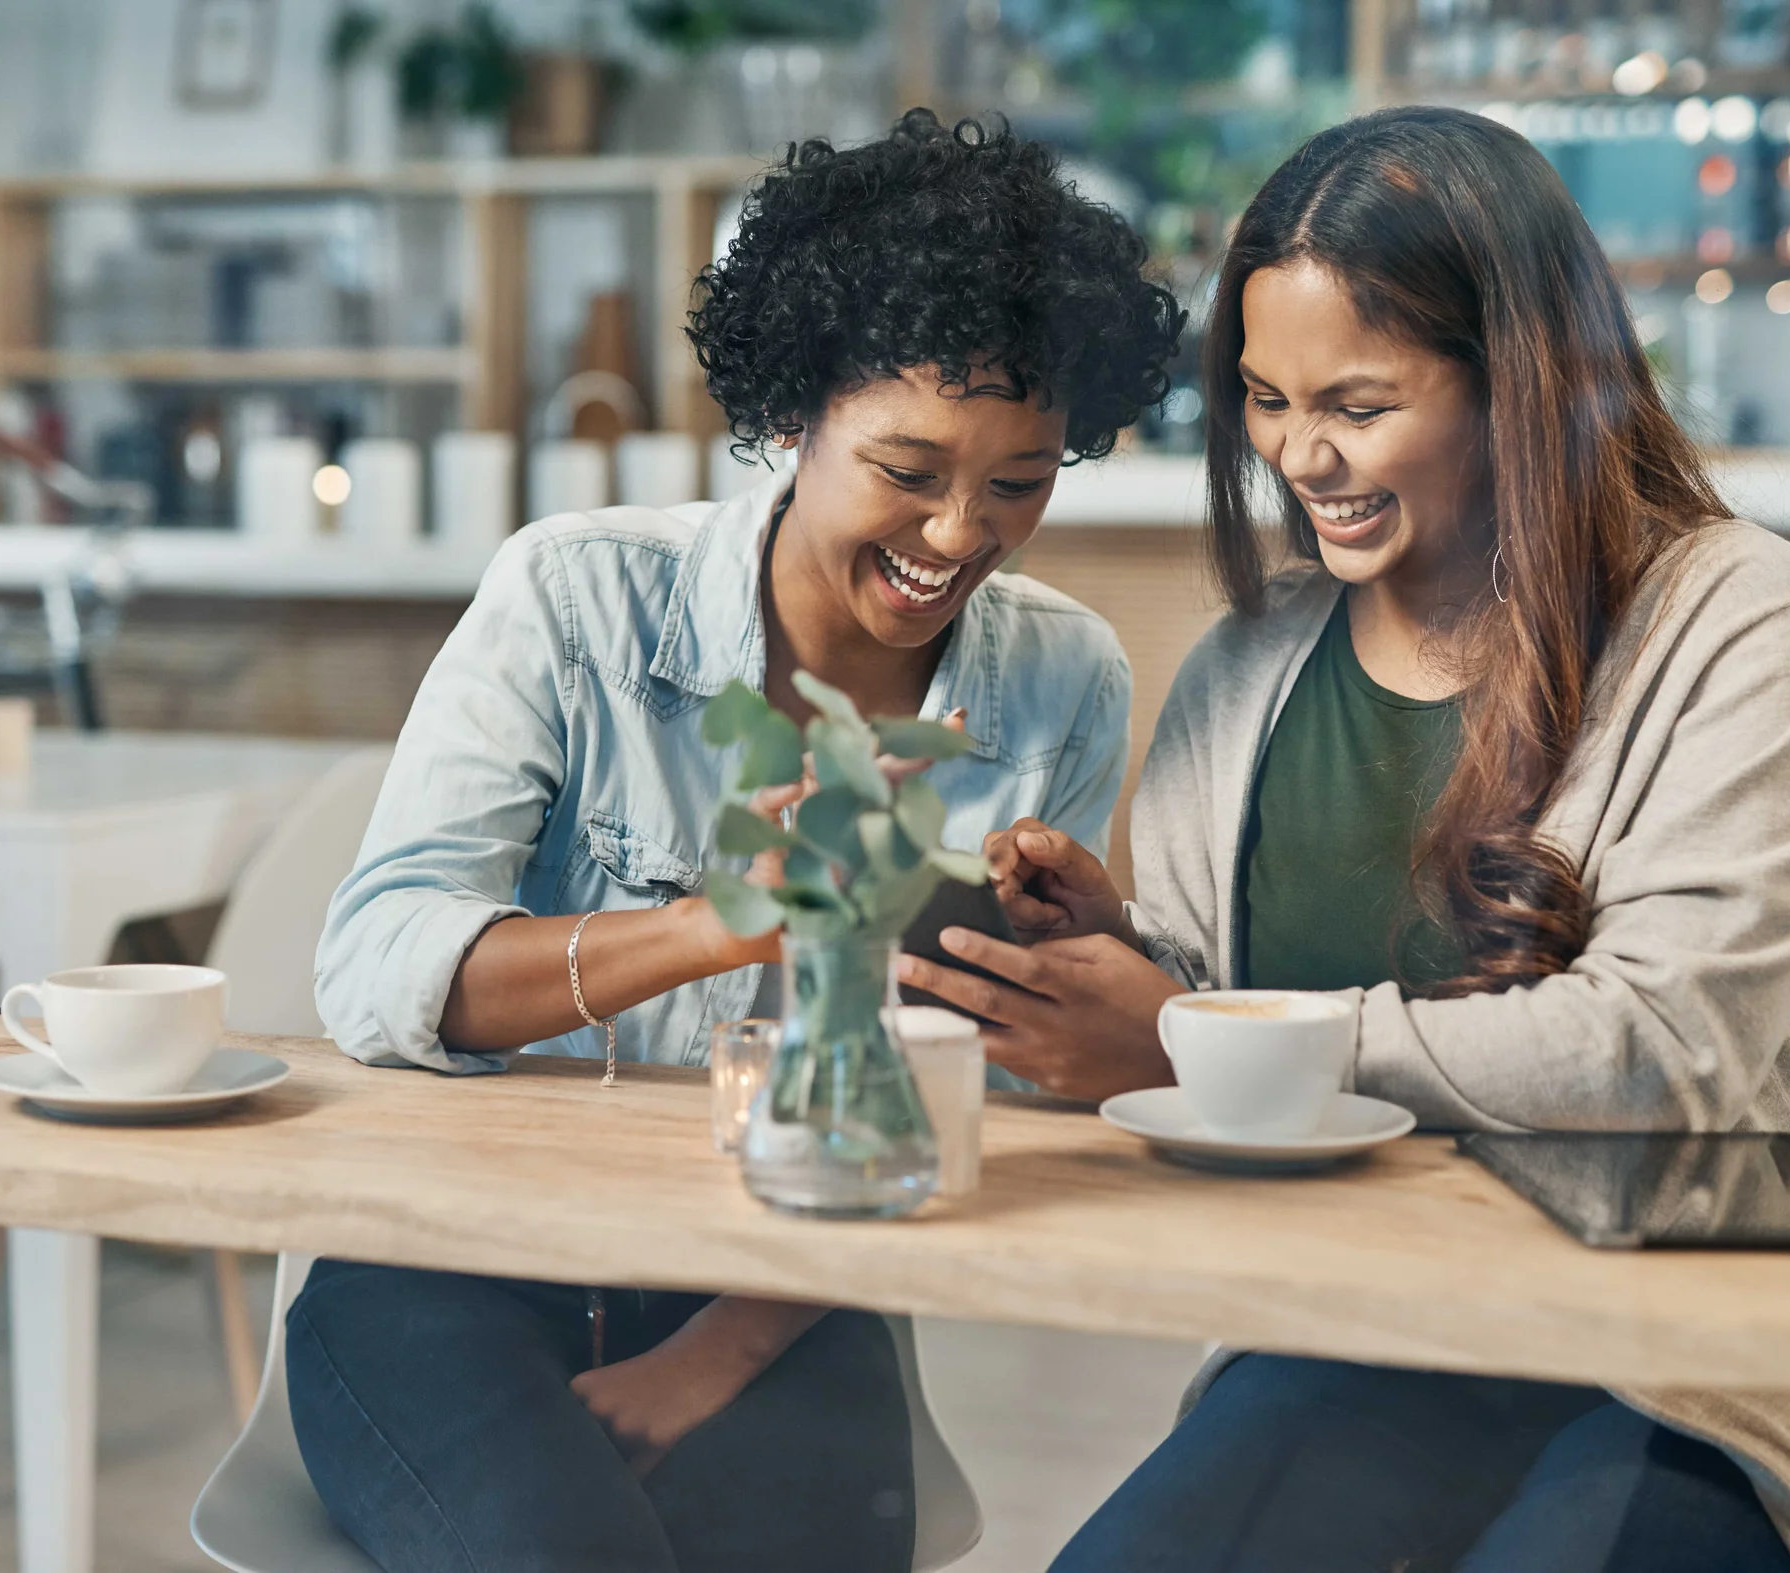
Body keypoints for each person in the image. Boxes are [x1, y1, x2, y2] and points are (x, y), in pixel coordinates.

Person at [896, 106, 1790, 1573]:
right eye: (1266, 400)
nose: (1300, 454)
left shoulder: (1730, 611)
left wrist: (1198, 1032)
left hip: (1723, 1348)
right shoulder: (1250, 669)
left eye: (1356, 404)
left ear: (1518, 381)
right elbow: (1201, 1008)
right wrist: (1104, 959)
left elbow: (1664, 1048)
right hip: (1379, 1334)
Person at [295, 110, 1181, 1573]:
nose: (960, 534)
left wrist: (1089, 973)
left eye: (1018, 483)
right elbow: (377, 969)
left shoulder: (1061, 681)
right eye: (909, 468)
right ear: (792, 417)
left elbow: (957, 1102)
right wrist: (711, 925)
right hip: (451, 1267)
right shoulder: (578, 601)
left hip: (790, 1282)